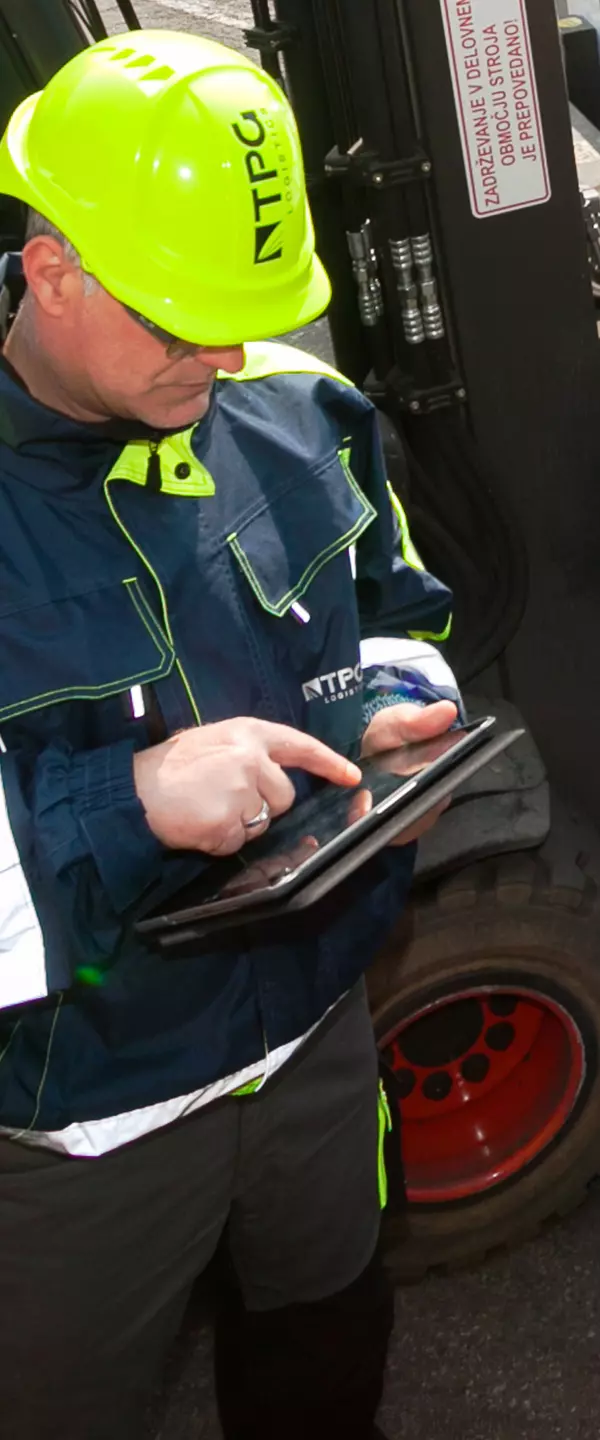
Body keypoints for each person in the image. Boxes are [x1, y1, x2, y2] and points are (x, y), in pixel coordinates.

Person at [0, 29, 459, 1440]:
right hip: (85, 1126)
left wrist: (394, 722)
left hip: (316, 1041)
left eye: (238, 314)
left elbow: (395, 614)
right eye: (178, 315)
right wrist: (125, 802)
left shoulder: (301, 416)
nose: (218, 352)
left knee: (325, 1365)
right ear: (52, 270)